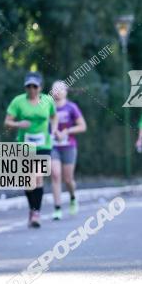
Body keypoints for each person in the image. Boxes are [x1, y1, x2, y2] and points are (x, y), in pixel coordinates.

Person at [4, 72, 57, 228]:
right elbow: (7, 122)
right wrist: (18, 124)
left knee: (38, 177)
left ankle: (36, 213)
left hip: (43, 145)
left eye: (35, 86)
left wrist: (53, 130)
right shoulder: (18, 101)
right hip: (25, 145)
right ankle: (32, 208)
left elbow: (54, 116)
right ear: (25, 87)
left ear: (40, 87)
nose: (32, 89)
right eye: (29, 86)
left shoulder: (47, 100)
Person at [49, 81, 86, 219]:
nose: (57, 92)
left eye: (60, 89)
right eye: (54, 89)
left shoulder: (71, 107)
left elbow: (82, 126)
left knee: (68, 179)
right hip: (53, 146)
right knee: (55, 174)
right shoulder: (47, 108)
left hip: (69, 146)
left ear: (66, 92)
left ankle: (72, 197)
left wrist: (67, 131)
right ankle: (57, 208)